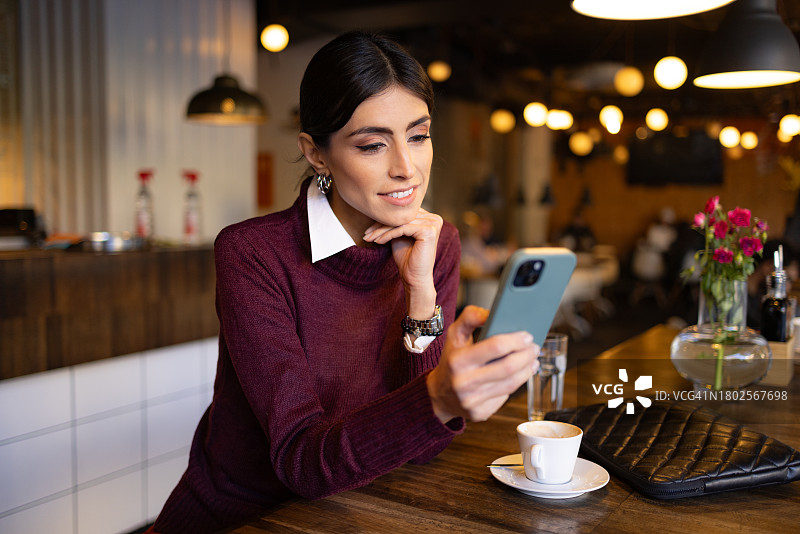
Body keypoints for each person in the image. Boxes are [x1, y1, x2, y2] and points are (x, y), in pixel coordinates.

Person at [148, 32, 539, 534]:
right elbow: (299, 462)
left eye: (418, 136)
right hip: (245, 516)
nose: (406, 168)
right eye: (373, 144)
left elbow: (424, 447)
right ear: (316, 153)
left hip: (361, 509)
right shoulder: (254, 254)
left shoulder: (436, 243)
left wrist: (420, 294)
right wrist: (438, 398)